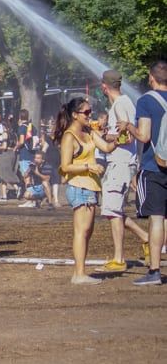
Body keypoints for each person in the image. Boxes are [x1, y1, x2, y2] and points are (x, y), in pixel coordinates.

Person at [54, 97, 117, 285]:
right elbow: (65, 166)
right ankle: (79, 274)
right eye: (86, 113)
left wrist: (120, 140)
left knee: (87, 231)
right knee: (81, 231)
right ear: (75, 115)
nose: (90, 116)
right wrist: (89, 167)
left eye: (91, 112)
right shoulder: (69, 136)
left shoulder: (88, 132)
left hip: (91, 186)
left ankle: (80, 272)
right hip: (79, 186)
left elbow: (105, 147)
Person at [99, 70, 151, 273]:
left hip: (120, 163)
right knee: (114, 210)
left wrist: (105, 137)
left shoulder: (120, 105)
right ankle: (145, 238)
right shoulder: (124, 103)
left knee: (112, 211)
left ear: (104, 86)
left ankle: (119, 258)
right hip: (121, 163)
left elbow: (127, 137)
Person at [131, 60, 167, 286]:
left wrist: (128, 127)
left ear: (151, 77)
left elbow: (144, 136)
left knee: (156, 219)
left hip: (154, 166)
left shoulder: (146, 100)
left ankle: (154, 270)